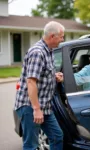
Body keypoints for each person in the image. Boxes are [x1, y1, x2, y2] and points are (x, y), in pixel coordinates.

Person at [14, 21, 64, 150]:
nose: (62, 39)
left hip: (44, 106)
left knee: (57, 136)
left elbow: (41, 74)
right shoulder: (38, 52)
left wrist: (54, 77)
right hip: (30, 106)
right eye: (61, 36)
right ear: (52, 36)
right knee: (31, 145)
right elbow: (31, 81)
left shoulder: (49, 51)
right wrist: (36, 109)